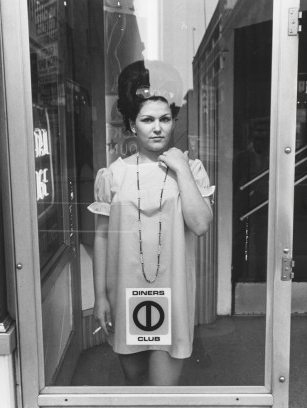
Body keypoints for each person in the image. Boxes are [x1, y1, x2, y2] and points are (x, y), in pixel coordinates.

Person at [88, 60, 215, 386]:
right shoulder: (113, 174)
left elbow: (200, 225)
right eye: (147, 119)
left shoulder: (192, 169)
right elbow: (102, 236)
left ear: (173, 122)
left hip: (172, 295)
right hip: (125, 293)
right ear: (132, 124)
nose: (157, 127)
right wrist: (100, 295)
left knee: (161, 396)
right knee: (135, 391)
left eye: (164, 119)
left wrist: (181, 169)